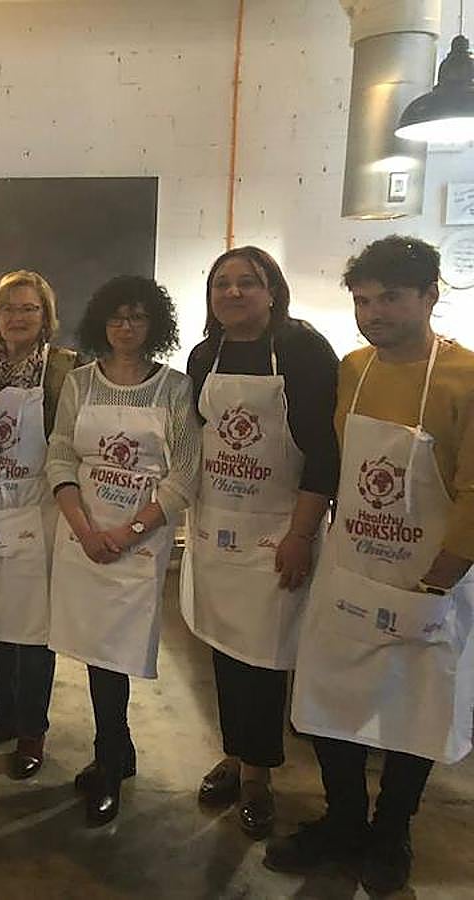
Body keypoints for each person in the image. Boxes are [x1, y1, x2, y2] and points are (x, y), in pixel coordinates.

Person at [267, 236, 474, 894]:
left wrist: (435, 583)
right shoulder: (353, 370)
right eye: (362, 300)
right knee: (328, 699)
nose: (373, 312)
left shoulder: (464, 378)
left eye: (390, 298)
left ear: (430, 295)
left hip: (427, 575)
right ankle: (344, 820)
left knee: (415, 709)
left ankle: (393, 831)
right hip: (350, 561)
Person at [180, 246, 340, 839]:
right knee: (224, 648)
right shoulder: (204, 355)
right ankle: (234, 752)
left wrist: (301, 534)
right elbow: (194, 443)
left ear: (272, 290)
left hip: (279, 528)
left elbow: (323, 453)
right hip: (217, 525)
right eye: (222, 283)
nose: (234, 293)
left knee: (266, 659)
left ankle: (258, 774)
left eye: (248, 282)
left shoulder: (302, 351)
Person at [45, 276, 198, 826]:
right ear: (101, 324)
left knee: (116, 655)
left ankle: (108, 764)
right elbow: (60, 456)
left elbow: (183, 476)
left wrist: (129, 531)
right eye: (116, 317)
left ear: (154, 324)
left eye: (136, 317)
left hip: (138, 546)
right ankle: (119, 751)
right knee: (92, 652)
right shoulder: (81, 384)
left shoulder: (174, 390)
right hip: (83, 539)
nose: (125, 327)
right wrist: (86, 528)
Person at [0, 270, 79, 780]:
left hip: (38, 511)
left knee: (33, 631)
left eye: (30, 308)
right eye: (9, 309)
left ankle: (32, 728)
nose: (18, 317)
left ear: (45, 317)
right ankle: (3, 714)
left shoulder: (65, 371)